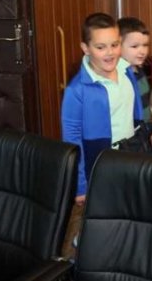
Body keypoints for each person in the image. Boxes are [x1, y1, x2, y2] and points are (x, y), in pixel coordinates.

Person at [61, 13, 143, 205]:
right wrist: (81, 185)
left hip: (132, 156)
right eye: (100, 47)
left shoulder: (126, 70)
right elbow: (72, 139)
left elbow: (136, 113)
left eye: (114, 45)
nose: (110, 53)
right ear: (86, 48)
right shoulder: (77, 90)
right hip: (102, 164)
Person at [118, 17, 152, 122]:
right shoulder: (119, 76)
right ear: (118, 46)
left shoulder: (140, 69)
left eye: (145, 45)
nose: (142, 51)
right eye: (134, 46)